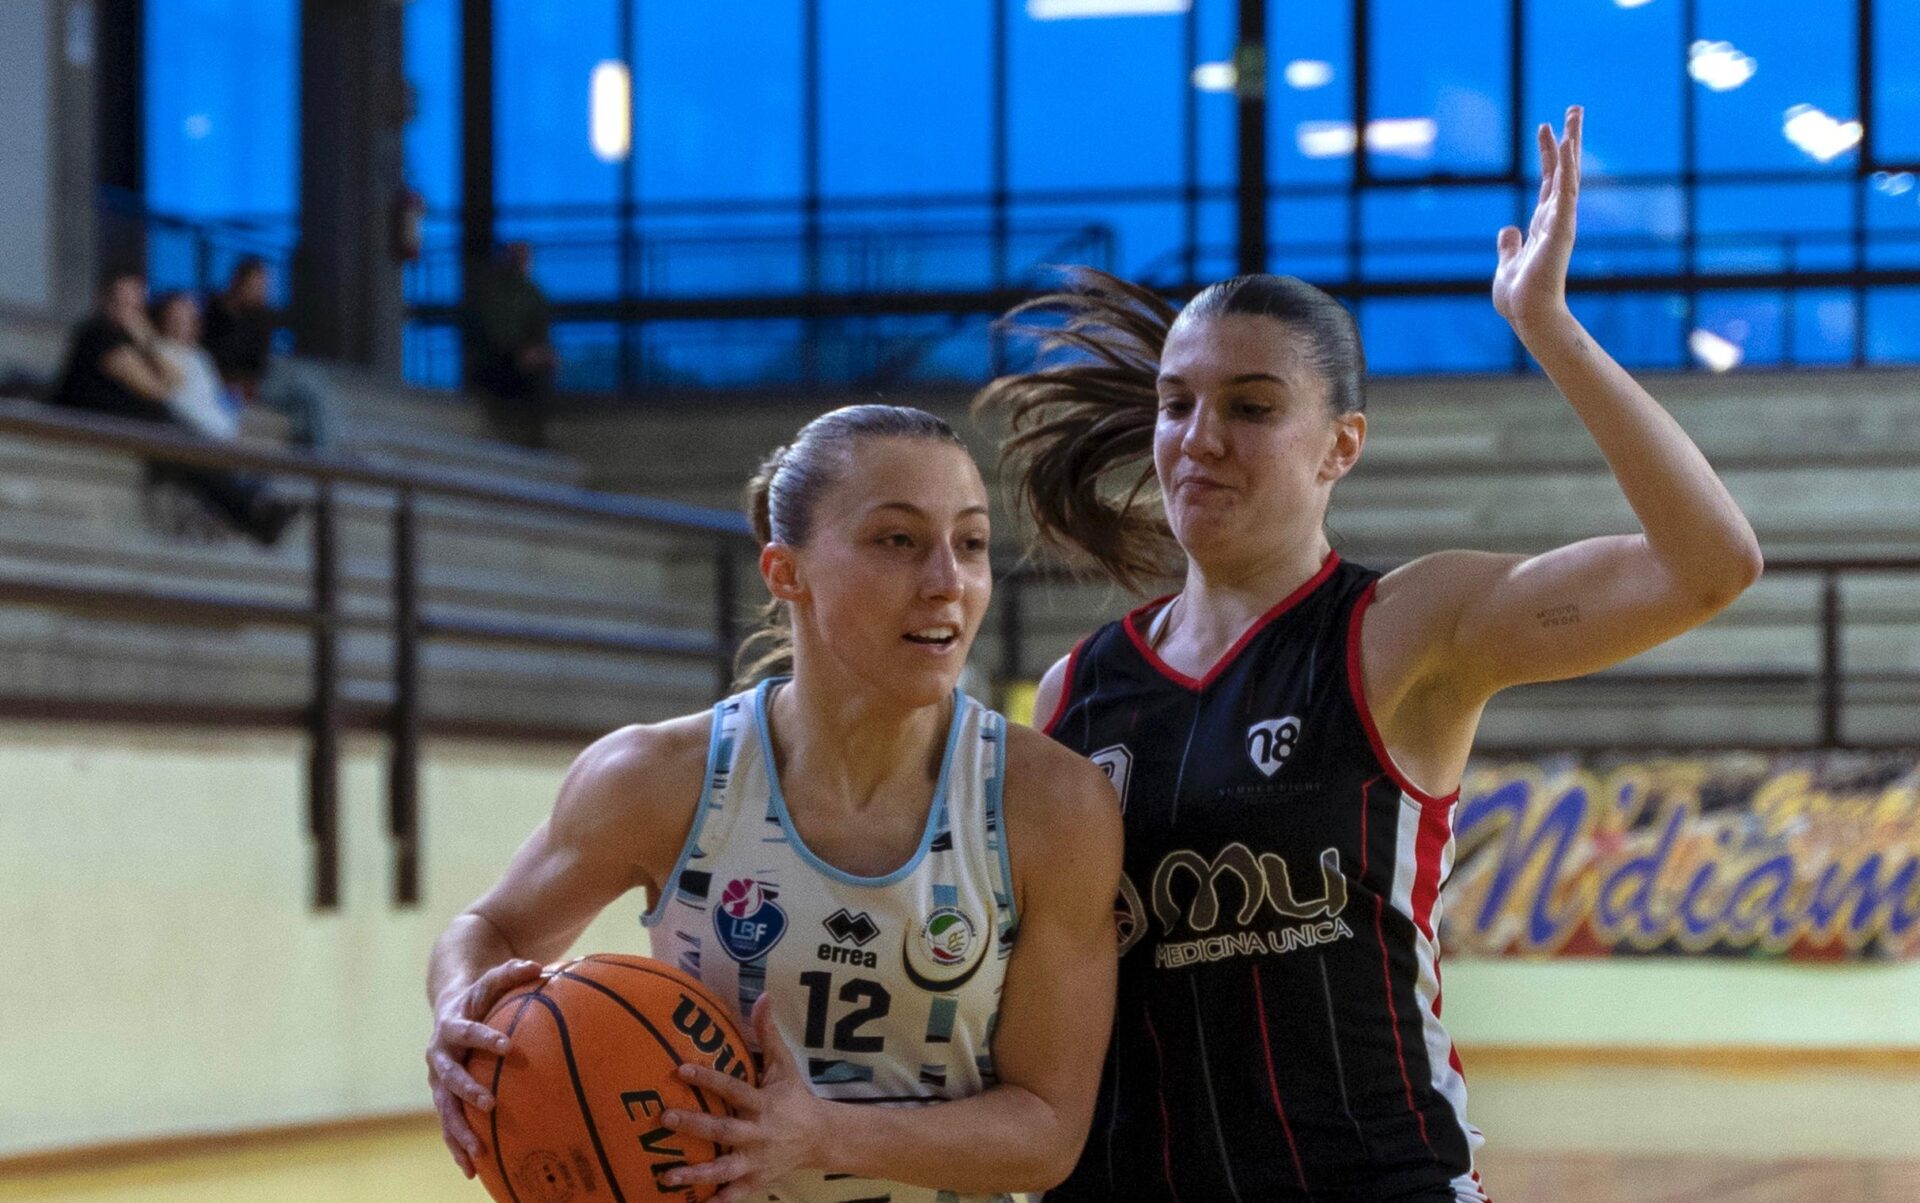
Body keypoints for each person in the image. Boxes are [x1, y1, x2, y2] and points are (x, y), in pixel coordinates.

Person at [976, 109, 1763, 1202]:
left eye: (1252, 407)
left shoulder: (1404, 628)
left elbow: (1710, 565)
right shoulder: (1079, 689)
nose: (1200, 438)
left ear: (1341, 445)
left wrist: (1545, 327)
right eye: (1176, 403)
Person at [425, 405, 1125, 1202]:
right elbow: (490, 929)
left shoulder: (1051, 804)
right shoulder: (657, 777)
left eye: (969, 543)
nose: (947, 582)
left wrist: (821, 1133)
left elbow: (1047, 1131)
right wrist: (458, 1015)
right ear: (786, 571)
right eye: (897, 540)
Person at [53, 271, 296, 547]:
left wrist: (144, 336)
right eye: (121, 302)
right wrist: (146, 340)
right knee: (183, 445)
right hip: (98, 423)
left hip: (141, 425)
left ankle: (252, 507)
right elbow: (159, 388)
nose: (128, 312)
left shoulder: (132, 338)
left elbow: (172, 379)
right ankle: (251, 509)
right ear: (104, 300)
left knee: (190, 445)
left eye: (135, 305)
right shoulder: (99, 333)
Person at [204, 257, 337, 451]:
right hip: (239, 381)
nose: (261, 291)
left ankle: (321, 451)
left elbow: (260, 357)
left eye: (264, 286)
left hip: (260, 375)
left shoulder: (259, 315)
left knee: (312, 384)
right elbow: (217, 358)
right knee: (307, 388)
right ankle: (325, 455)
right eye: (256, 285)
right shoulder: (216, 313)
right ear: (239, 282)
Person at [466, 241, 557, 448]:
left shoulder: (533, 295)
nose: (520, 263)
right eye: (516, 258)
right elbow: (490, 332)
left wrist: (538, 353)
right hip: (496, 359)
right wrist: (518, 351)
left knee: (543, 368)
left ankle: (535, 434)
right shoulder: (491, 294)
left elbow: (540, 334)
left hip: (525, 360)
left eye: (523, 259)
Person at [150, 291, 241, 442]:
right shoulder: (158, 350)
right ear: (163, 318)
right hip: (191, 437)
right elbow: (180, 405)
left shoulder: (200, 356)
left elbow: (216, 400)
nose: (181, 324)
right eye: (175, 318)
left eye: (187, 318)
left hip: (221, 434)